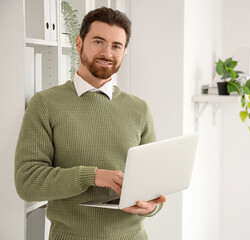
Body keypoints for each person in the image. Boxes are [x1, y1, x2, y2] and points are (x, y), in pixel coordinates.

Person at [15, 7, 166, 240]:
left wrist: (151, 206)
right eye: (98, 41)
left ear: (124, 52)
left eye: (117, 46)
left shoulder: (140, 109)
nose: (107, 52)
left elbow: (153, 186)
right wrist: (92, 176)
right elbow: (27, 183)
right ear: (79, 43)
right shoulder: (45, 104)